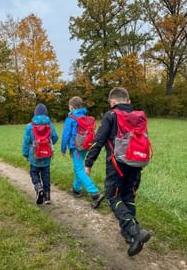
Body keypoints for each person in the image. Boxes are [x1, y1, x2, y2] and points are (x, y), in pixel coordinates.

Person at [84, 87, 151, 256]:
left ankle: (135, 231)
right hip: (136, 163)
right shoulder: (138, 116)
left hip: (116, 165)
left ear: (112, 102)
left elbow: (98, 141)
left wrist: (88, 163)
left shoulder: (110, 115)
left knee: (113, 196)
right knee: (128, 195)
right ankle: (129, 235)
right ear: (127, 101)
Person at [61, 96, 104, 209]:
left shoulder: (70, 118)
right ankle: (77, 189)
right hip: (86, 146)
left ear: (71, 107)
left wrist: (63, 149)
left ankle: (95, 193)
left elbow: (66, 135)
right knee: (78, 167)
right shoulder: (85, 117)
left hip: (76, 148)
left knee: (79, 169)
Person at [22, 103, 58, 205]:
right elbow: (55, 138)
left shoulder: (30, 126)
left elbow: (26, 141)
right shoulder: (50, 125)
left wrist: (25, 154)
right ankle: (47, 197)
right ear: (46, 113)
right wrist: (48, 143)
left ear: (35, 114)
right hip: (46, 156)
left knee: (33, 172)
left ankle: (38, 187)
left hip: (34, 156)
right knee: (46, 175)